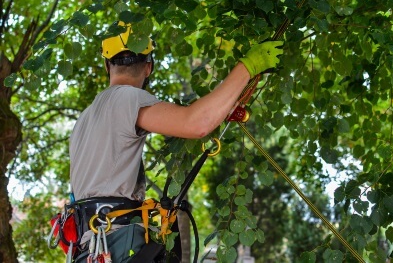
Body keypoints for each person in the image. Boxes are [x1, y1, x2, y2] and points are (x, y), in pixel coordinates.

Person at [68, 21, 283, 262]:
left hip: (89, 247)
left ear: (107, 64)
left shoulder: (86, 118)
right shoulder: (126, 98)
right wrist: (247, 67)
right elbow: (196, 123)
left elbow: (192, 120)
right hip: (116, 245)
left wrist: (222, 109)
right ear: (148, 67)